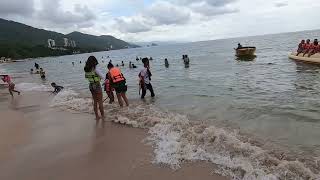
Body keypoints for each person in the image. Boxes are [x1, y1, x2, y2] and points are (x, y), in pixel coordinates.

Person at [84, 56, 105, 121]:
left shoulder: (86, 69)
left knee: (95, 102)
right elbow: (103, 77)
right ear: (94, 61)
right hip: (97, 85)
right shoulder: (95, 69)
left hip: (91, 85)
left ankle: (97, 116)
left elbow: (87, 77)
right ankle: (103, 116)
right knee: (100, 101)